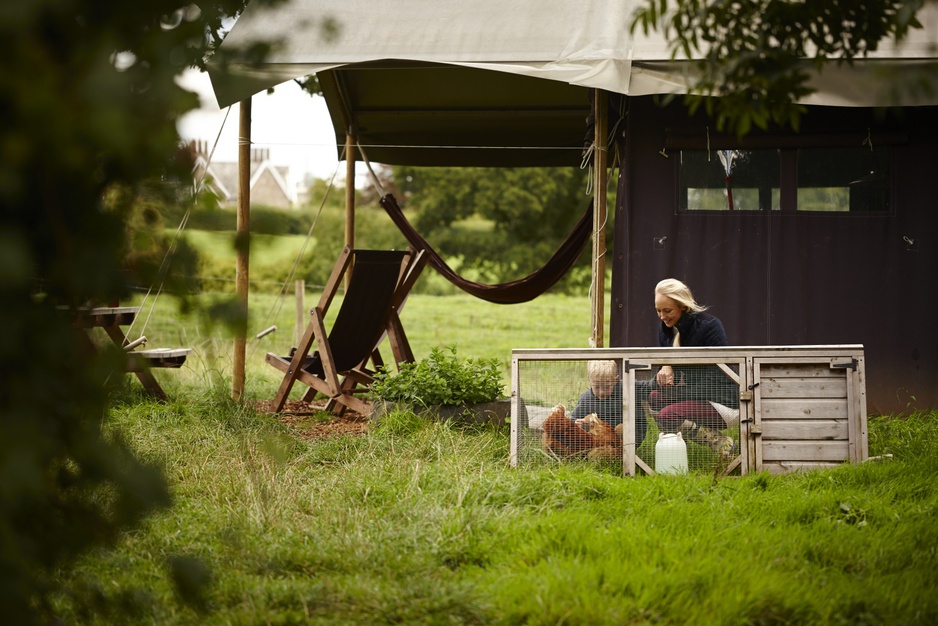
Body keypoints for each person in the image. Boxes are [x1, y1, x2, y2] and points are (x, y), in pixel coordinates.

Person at [639, 278, 739, 457]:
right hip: (696, 394)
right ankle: (678, 453)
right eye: (658, 310)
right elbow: (675, 377)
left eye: (667, 310)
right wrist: (666, 368)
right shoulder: (665, 329)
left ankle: (723, 444)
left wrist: (676, 390)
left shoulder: (709, 326)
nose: (662, 316)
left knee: (666, 416)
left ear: (682, 306)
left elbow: (716, 379)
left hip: (723, 399)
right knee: (655, 397)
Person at [569, 359, 648, 447]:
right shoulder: (586, 399)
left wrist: (660, 379)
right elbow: (573, 420)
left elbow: (648, 387)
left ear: (616, 380)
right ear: (590, 380)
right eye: (597, 387)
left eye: (606, 387)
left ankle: (626, 454)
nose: (602, 392)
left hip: (626, 439)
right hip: (598, 441)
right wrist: (578, 423)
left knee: (621, 429)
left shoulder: (627, 388)